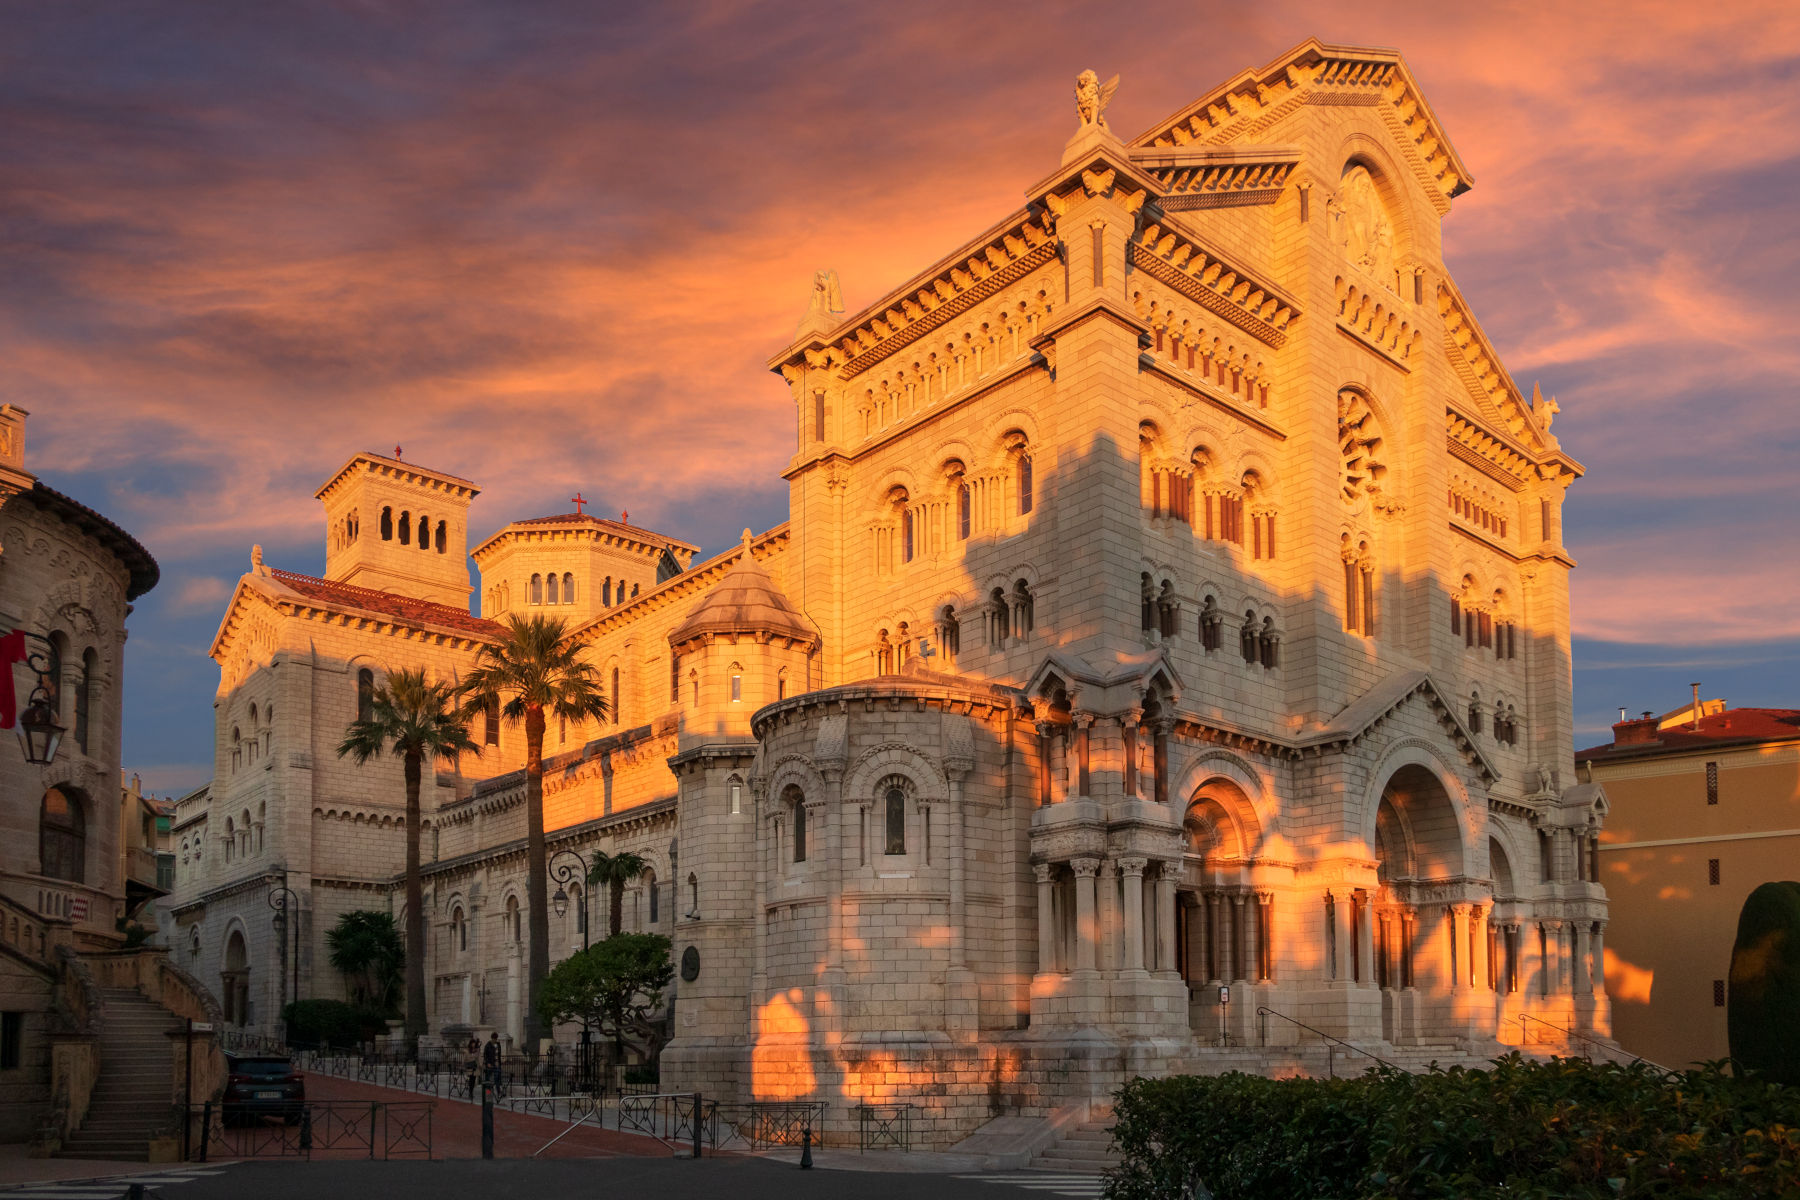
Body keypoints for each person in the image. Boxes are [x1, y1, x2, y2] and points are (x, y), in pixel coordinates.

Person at [483, 1031, 502, 1096]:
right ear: (492, 1038)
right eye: (494, 1039)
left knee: (497, 1079)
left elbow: (499, 1055)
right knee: (488, 1079)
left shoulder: (498, 1045)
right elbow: (485, 1055)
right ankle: (488, 1093)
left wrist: (499, 1063)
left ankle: (498, 1092)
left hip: (497, 1064)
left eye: (496, 1039)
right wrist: (487, 1063)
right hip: (490, 1064)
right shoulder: (488, 1045)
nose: (495, 1040)